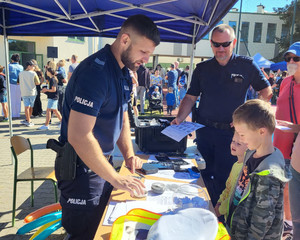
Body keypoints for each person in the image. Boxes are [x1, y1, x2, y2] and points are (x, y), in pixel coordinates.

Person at [57, 14, 160, 239]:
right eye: (143, 52)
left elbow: (121, 115)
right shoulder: (95, 73)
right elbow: (79, 135)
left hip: (101, 165)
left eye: (149, 54)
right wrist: (115, 178)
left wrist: (129, 154)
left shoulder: (122, 70)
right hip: (80, 171)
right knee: (85, 232)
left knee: (101, 228)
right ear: (124, 40)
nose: (146, 59)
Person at [171, 24, 272, 206]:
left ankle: (221, 218)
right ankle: (202, 211)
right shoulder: (202, 68)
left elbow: (266, 91)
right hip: (205, 132)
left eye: (225, 44)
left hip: (232, 136)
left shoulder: (246, 65)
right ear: (211, 44)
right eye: (216, 45)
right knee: (202, 174)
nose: (221, 49)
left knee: (227, 178)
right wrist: (179, 118)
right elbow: (190, 96)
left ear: (233, 43)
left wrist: (250, 117)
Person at [230, 99, 291, 239]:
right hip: (238, 230)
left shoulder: (269, 175)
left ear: (261, 131)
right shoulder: (250, 153)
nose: (240, 139)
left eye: (242, 134)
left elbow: (261, 223)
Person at [273, 41, 300, 240]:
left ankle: (289, 225)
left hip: (296, 147)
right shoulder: (285, 81)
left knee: (290, 189)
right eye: (288, 58)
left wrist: (296, 128)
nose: (291, 62)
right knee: (280, 186)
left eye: (296, 58)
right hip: (279, 143)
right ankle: (284, 221)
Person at [214, 131, 247, 221]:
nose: (234, 145)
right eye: (233, 141)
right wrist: (219, 201)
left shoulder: (244, 170)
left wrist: (220, 210)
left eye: (239, 144)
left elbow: (234, 196)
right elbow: (228, 187)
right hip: (226, 213)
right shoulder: (235, 165)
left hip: (233, 218)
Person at [18, 61, 40, 127]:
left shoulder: (21, 73)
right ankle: (28, 119)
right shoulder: (33, 73)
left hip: (24, 91)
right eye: (33, 66)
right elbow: (38, 83)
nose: (34, 67)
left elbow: (18, 82)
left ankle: (28, 120)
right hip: (32, 92)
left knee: (26, 106)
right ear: (29, 66)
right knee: (31, 107)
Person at [6, 54, 23, 118]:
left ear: (12, 59)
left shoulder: (9, 66)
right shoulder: (21, 67)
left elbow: (5, 72)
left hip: (11, 84)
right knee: (18, 100)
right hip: (19, 84)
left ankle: (10, 114)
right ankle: (17, 113)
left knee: (11, 100)